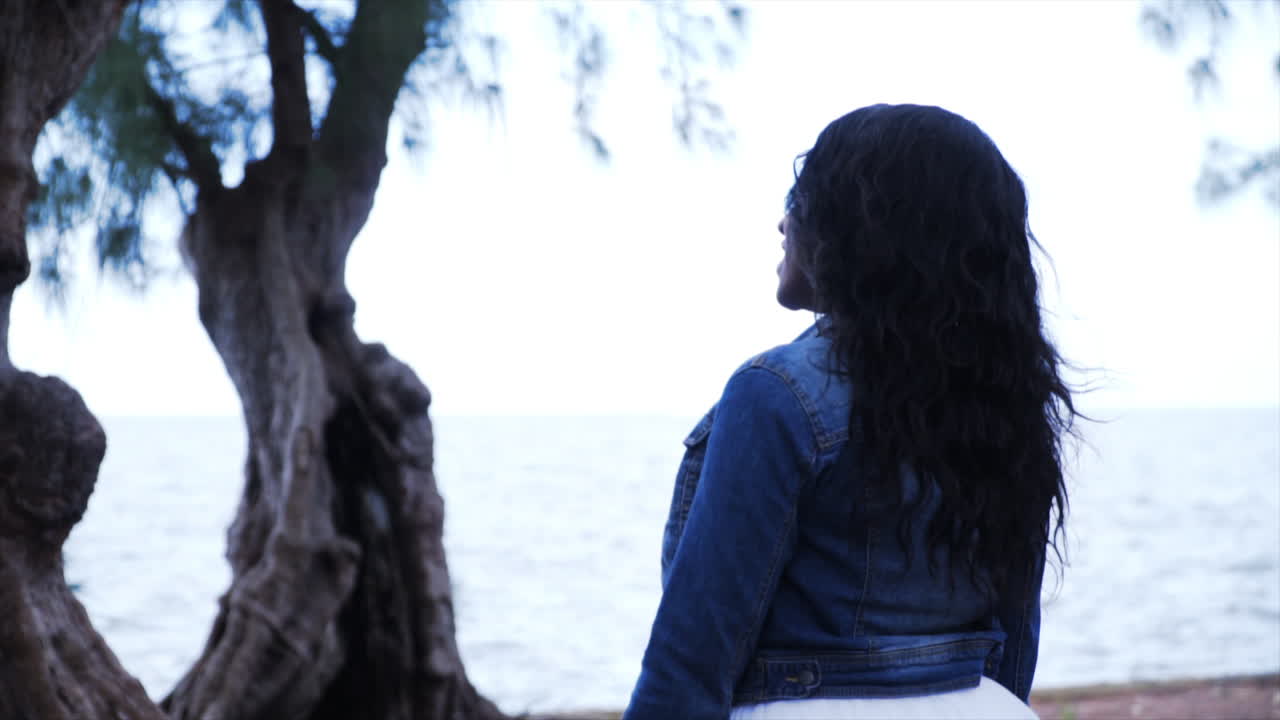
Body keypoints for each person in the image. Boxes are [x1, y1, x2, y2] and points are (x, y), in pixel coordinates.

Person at [623, 104, 1077, 720]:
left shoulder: (777, 393)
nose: (783, 222)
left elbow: (692, 660)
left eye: (800, 198)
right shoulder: (1004, 400)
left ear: (858, 228)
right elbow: (1012, 643)